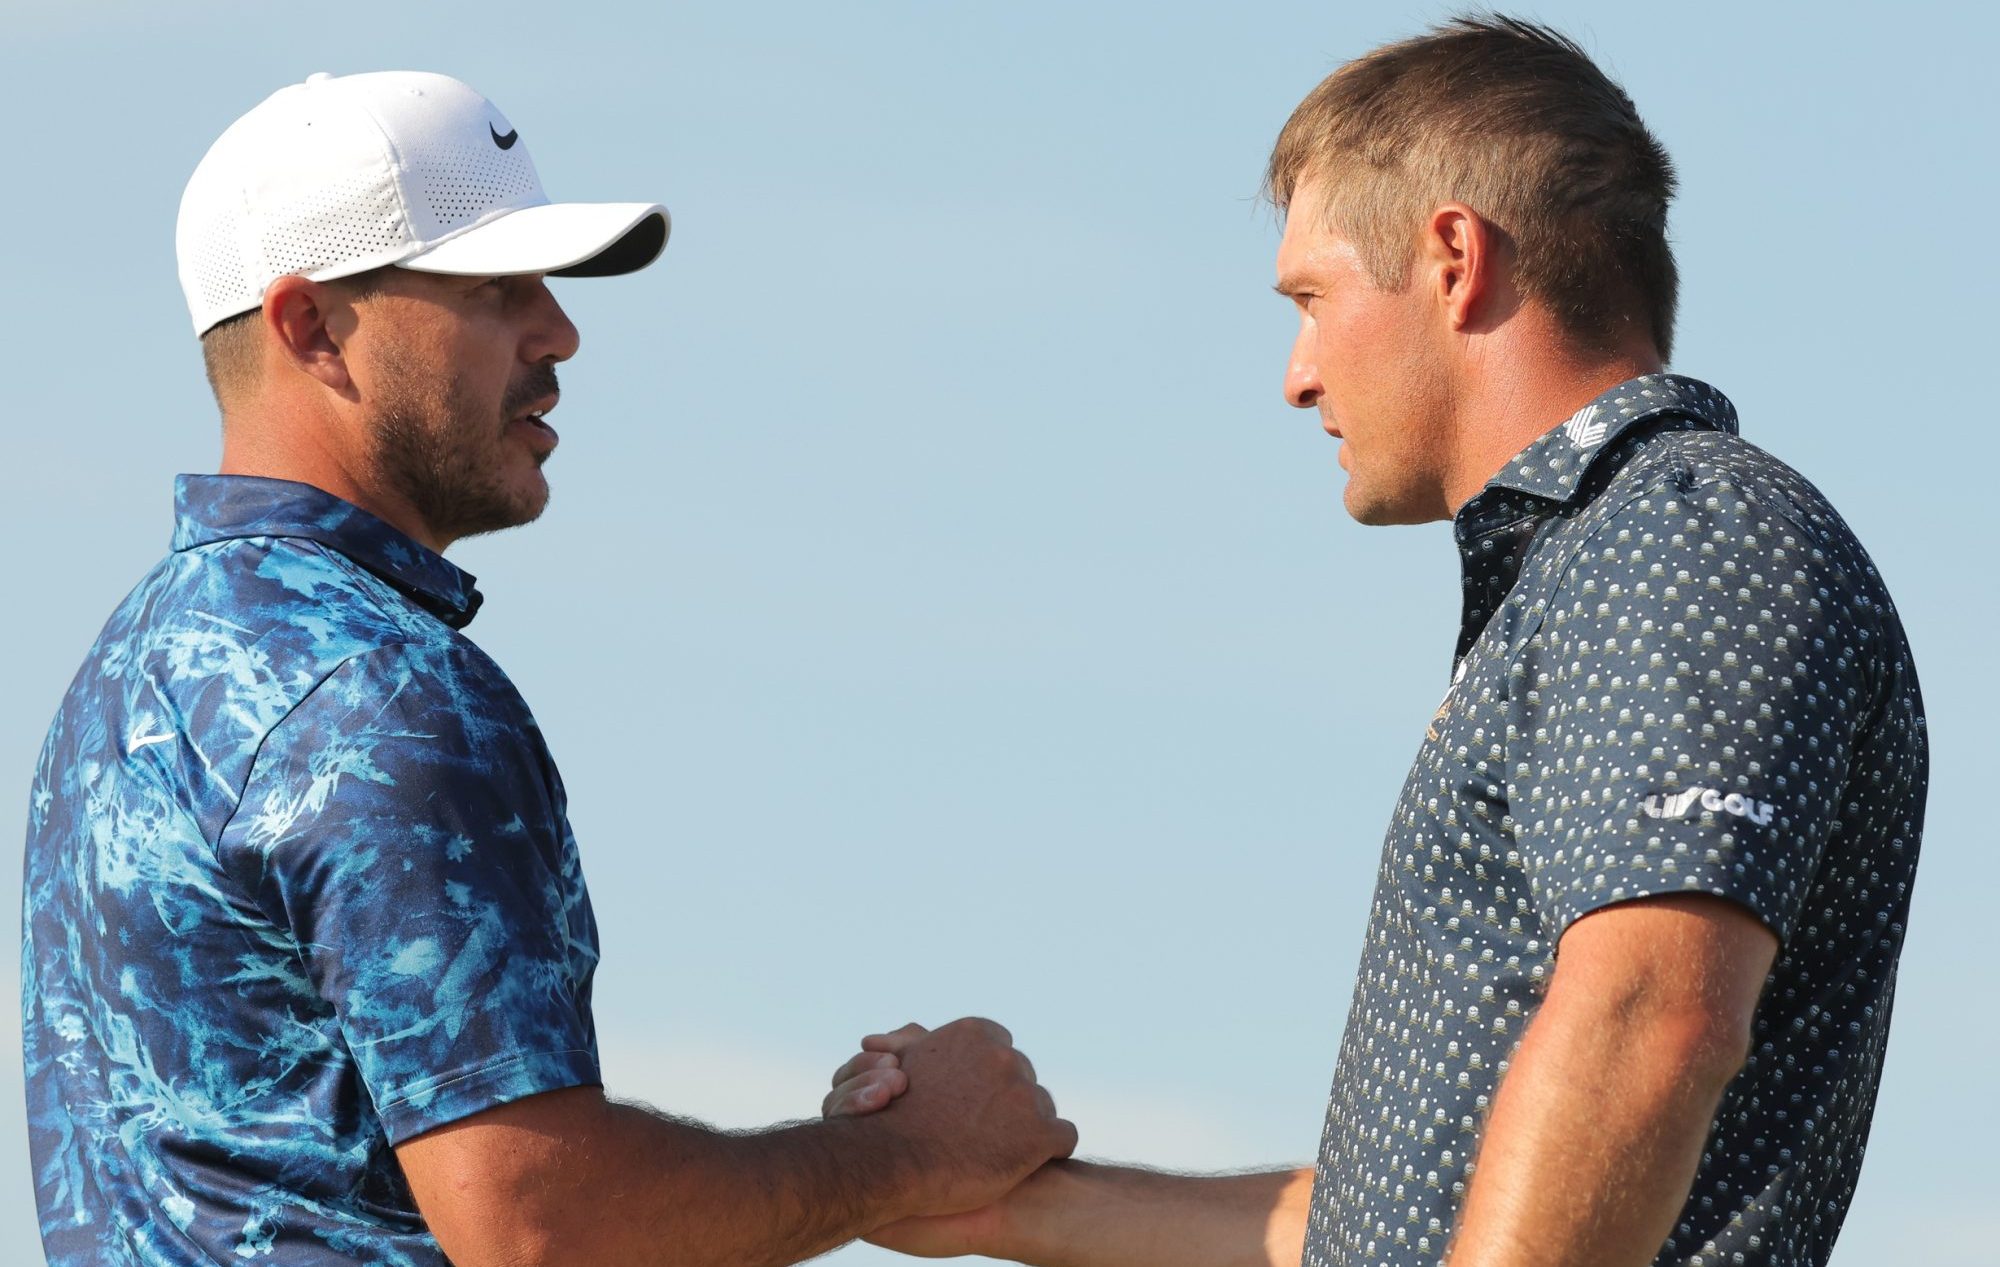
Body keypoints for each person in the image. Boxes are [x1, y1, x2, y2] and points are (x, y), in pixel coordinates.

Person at [828, 17, 1928, 1267]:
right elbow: (1407, 1214)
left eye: (1312, 298)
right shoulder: (1596, 566)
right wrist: (995, 1204)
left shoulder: (1683, 527)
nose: (1295, 375)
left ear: (1452, 256)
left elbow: (1647, 1022)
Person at [20, 70, 1072, 1267]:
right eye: (493, 290)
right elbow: (540, 1226)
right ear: (310, 327)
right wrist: (913, 1150)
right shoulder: (374, 690)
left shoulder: (134, 673)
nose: (560, 333)